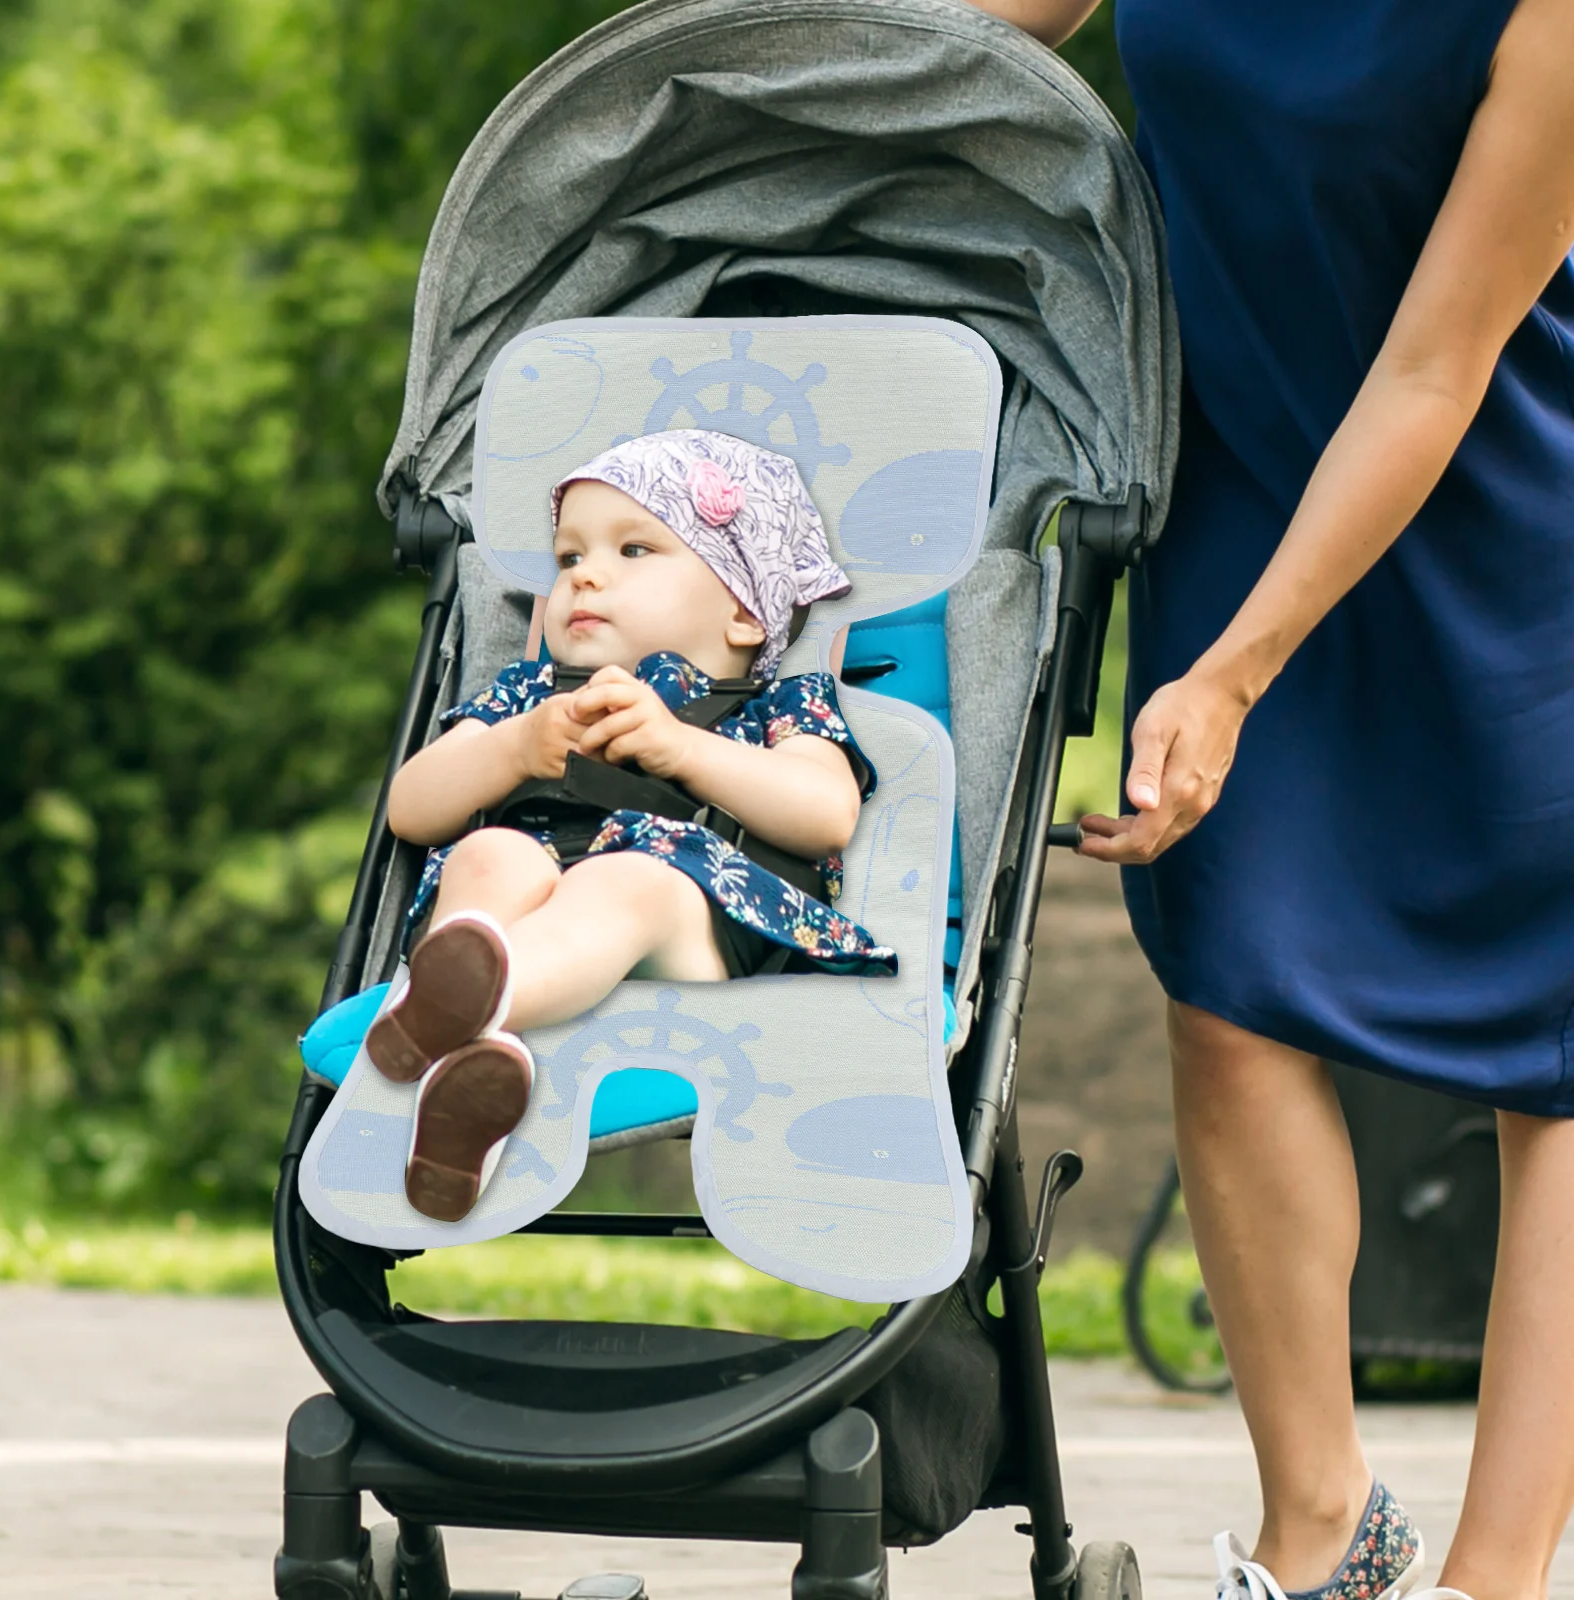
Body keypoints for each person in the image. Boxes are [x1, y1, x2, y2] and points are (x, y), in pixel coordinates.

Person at [968, 2, 1574, 1598]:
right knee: (1231, 979)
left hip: (1504, 497)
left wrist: (1236, 673)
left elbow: (1440, 367)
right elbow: (950, 35)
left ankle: (1498, 1577)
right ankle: (1324, 1532)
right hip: (1239, 473)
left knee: (1559, 1049)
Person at [377, 429, 895, 1223]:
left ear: (744, 613)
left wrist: (681, 746)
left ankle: (454, 1006)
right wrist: (515, 748)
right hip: (539, 894)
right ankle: (472, 1084)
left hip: (690, 928)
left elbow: (826, 815)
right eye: (569, 557)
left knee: (628, 881)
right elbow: (411, 808)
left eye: (634, 550)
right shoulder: (528, 696)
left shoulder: (780, 706)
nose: (585, 574)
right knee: (486, 853)